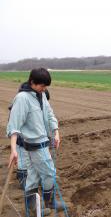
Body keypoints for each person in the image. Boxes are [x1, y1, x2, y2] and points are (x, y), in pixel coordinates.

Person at [7, 68, 63, 216]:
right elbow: (14, 126)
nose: (44, 89)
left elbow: (50, 114)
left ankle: (32, 206)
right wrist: (13, 149)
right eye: (42, 86)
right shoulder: (22, 98)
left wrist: (56, 132)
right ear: (32, 82)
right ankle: (48, 203)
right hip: (34, 144)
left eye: (45, 86)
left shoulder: (42, 94)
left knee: (33, 176)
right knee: (49, 173)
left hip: (43, 142)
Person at [8, 83, 50, 190]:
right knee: (23, 159)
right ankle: (22, 177)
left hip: (31, 140)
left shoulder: (37, 103)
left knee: (30, 160)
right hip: (22, 139)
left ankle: (33, 178)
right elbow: (15, 125)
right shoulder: (21, 103)